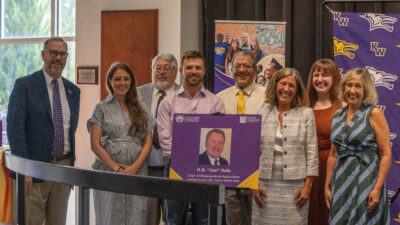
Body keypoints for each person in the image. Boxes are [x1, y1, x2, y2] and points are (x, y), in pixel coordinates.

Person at [7, 37, 80, 225]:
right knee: (29, 221)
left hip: (63, 169)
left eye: (62, 53)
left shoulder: (73, 91)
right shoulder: (25, 85)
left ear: (66, 57)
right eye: (53, 53)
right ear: (43, 55)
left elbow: (70, 130)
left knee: (58, 222)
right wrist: (24, 170)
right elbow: (15, 129)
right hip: (32, 169)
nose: (58, 57)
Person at [157, 50, 225, 225]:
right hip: (175, 167)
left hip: (206, 170)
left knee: (203, 220)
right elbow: (165, 139)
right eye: (189, 67)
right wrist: (187, 161)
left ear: (204, 70)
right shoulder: (168, 102)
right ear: (181, 71)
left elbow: (218, 136)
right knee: (174, 219)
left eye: (197, 67)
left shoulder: (216, 103)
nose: (193, 71)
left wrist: (199, 162)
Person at [88, 63, 155, 225]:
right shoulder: (101, 108)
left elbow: (148, 143)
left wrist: (133, 168)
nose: (122, 83)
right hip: (107, 172)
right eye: (117, 79)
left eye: (126, 79)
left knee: (135, 216)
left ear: (131, 81)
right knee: (107, 215)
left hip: (137, 172)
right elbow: (95, 144)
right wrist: (115, 168)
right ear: (110, 81)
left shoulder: (142, 108)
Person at [325, 68, 391, 225]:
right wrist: (327, 185)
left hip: (367, 180)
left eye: (358, 86)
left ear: (366, 89)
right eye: (349, 85)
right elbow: (333, 154)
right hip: (341, 181)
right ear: (343, 87)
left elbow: (386, 154)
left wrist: (377, 189)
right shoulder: (337, 115)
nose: (352, 90)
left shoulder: (374, 113)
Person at [253, 68, 318, 225]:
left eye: (291, 86)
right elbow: (253, 152)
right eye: (283, 83)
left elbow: (312, 152)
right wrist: (253, 185)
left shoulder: (306, 114)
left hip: (296, 187)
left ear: (297, 90)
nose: (286, 89)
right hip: (264, 185)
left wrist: (308, 186)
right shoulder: (262, 112)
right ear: (275, 86)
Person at [217, 51, 266, 225]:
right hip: (231, 173)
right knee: (233, 220)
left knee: (258, 219)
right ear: (231, 70)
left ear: (255, 70)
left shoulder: (268, 96)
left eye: (247, 66)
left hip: (259, 173)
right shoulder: (220, 99)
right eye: (237, 66)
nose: (242, 70)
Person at [138, 53, 180, 225]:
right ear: (152, 70)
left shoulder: (183, 95)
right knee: (147, 219)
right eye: (158, 68)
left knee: (174, 219)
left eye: (166, 68)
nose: (161, 72)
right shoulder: (138, 94)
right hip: (146, 169)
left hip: (174, 170)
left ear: (175, 72)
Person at [306, 59, 342, 225]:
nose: (320, 79)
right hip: (306, 170)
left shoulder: (343, 107)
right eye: (316, 75)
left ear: (334, 78)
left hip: (332, 169)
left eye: (325, 75)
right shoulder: (303, 106)